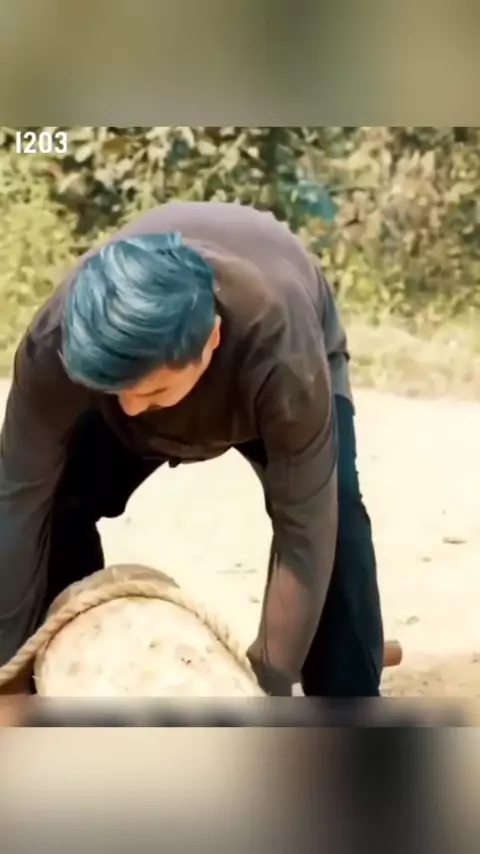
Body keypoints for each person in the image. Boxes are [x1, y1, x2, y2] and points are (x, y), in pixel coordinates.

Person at [0, 201, 384, 697]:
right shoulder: (54, 344)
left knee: (337, 517)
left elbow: (305, 532)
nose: (132, 408)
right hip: (121, 372)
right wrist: (8, 669)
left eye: (153, 391)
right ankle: (75, 662)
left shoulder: (281, 350)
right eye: (118, 392)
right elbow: (17, 502)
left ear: (212, 340)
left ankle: (349, 708)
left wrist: (267, 685)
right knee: (54, 505)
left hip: (278, 364)